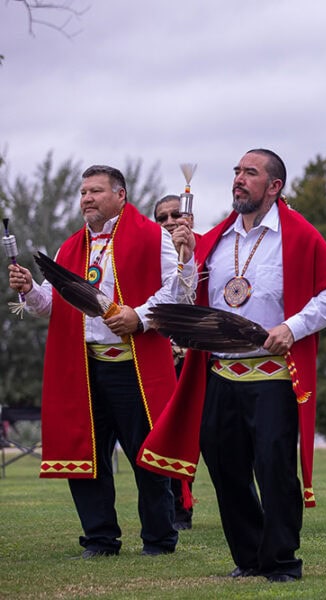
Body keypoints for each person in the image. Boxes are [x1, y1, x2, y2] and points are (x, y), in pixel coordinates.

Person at [137, 149, 326, 582]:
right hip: (220, 375)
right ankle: (250, 557)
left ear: (274, 186)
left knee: (274, 471)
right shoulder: (216, 238)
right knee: (226, 470)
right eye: (236, 171)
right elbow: (185, 299)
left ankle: (282, 561)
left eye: (250, 173)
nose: (239, 179)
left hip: (271, 377)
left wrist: (293, 327)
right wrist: (186, 257)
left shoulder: (299, 235)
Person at [7, 165, 192, 558]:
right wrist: (31, 290)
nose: (86, 198)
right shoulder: (70, 247)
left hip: (134, 365)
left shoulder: (152, 236)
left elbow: (176, 290)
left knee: (147, 455)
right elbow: (55, 306)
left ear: (120, 195)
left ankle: (159, 539)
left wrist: (138, 316)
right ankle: (100, 538)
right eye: (83, 192)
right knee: (85, 454)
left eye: (95, 191)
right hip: (83, 366)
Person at [153, 193, 199, 530]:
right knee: (167, 433)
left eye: (173, 215)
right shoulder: (147, 255)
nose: (169, 222)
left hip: (200, 359)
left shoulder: (209, 249)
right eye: (161, 217)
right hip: (159, 360)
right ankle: (178, 509)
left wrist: (190, 254)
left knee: (210, 436)